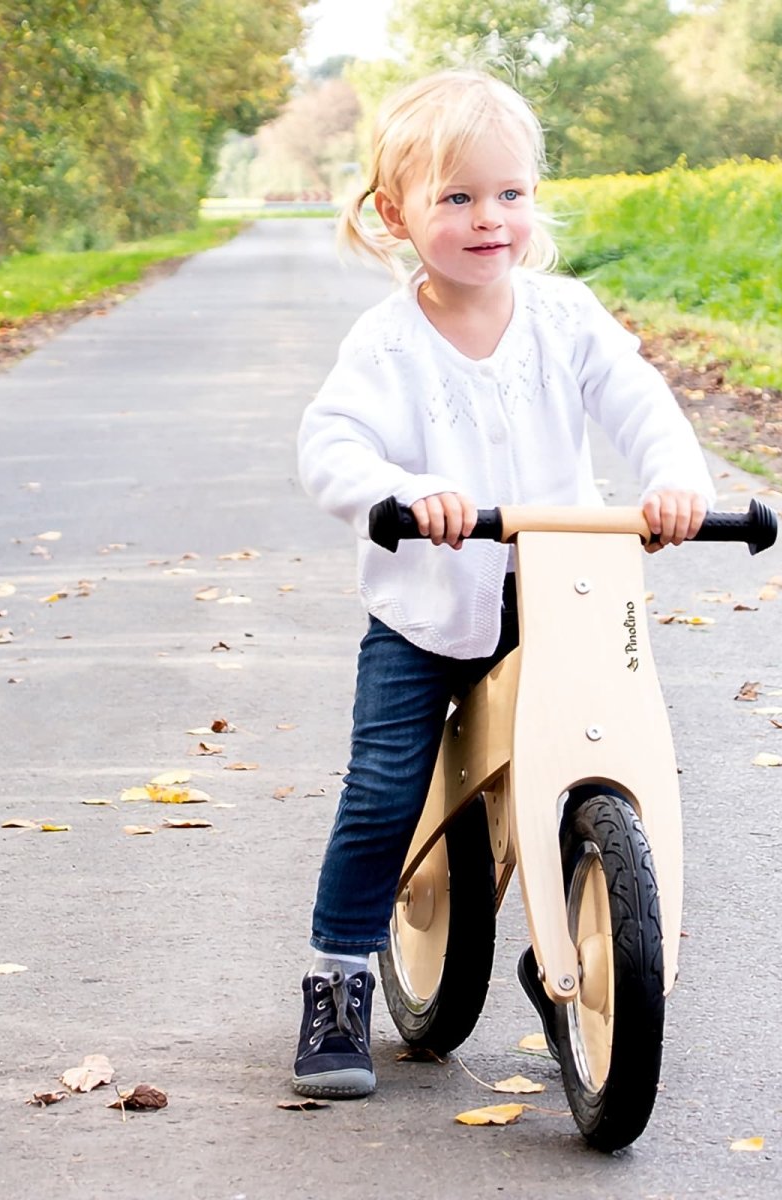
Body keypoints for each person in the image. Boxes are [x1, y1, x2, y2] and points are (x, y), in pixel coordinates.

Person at [292, 69, 715, 1099]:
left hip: (556, 596)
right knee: (387, 784)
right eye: (457, 197)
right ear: (395, 215)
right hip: (427, 608)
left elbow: (639, 400)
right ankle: (340, 975)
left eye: (510, 194)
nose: (491, 219)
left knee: (597, 747)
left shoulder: (566, 319)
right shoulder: (389, 343)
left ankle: (573, 929)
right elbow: (329, 444)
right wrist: (403, 490)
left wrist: (674, 480)